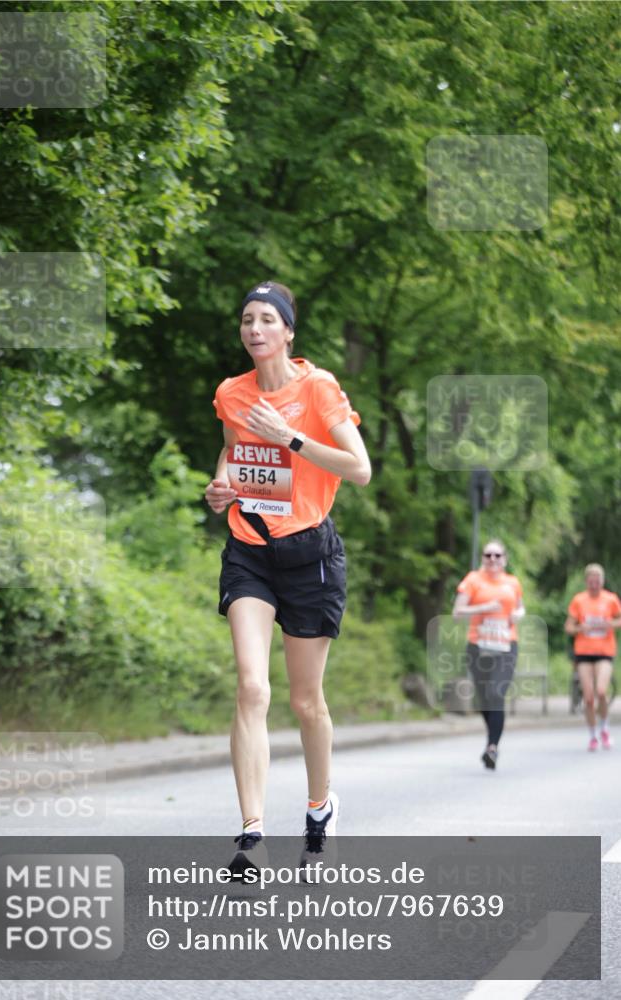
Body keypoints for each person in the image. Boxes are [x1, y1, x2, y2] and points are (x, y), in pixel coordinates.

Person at [204, 280, 371, 876]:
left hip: (310, 558)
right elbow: (232, 453)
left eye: (266, 319)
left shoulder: (318, 387)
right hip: (250, 549)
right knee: (252, 688)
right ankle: (251, 836)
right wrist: (221, 487)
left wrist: (291, 438)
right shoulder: (232, 392)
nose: (254, 329)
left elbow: (360, 469)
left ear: (288, 331)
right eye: (246, 318)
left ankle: (320, 809)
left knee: (306, 702)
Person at [453, 539, 525, 770]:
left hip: (506, 646)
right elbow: (457, 612)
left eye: (497, 555)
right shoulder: (473, 580)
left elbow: (521, 607)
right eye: (488, 555)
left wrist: (518, 615)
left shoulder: (512, 582)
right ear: (483, 558)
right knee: (484, 698)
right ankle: (491, 740)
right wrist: (483, 608)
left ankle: (492, 747)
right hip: (479, 645)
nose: (492, 559)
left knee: (496, 693)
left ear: (504, 559)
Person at [565, 564, 621, 751]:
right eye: (591, 580)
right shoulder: (579, 600)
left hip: (604, 652)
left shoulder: (611, 599)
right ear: (586, 581)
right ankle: (592, 735)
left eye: (598, 581)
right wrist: (582, 628)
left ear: (602, 581)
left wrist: (610, 623)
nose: (594, 584)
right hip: (583, 653)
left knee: (602, 691)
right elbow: (569, 627)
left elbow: (619, 619)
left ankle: (604, 727)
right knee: (589, 697)